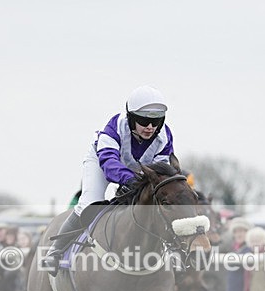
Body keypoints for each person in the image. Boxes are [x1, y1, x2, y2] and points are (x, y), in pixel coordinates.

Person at [41, 86, 175, 275]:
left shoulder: (164, 137)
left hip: (138, 170)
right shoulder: (114, 127)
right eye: (144, 121)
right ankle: (55, 252)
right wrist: (131, 179)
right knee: (89, 202)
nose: (150, 127)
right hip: (102, 162)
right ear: (131, 117)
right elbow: (109, 164)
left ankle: (172, 253)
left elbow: (161, 170)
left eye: (156, 121)